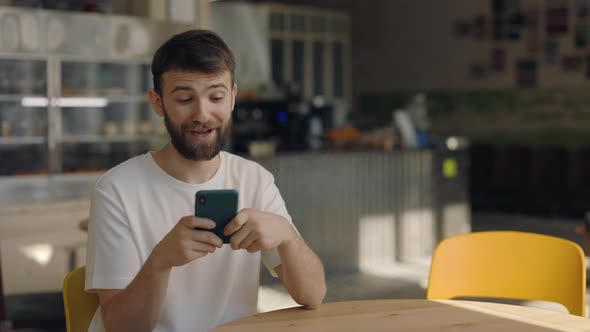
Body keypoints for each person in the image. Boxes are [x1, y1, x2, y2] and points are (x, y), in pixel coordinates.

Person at [85, 29, 326, 332]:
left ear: (233, 98)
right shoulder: (116, 190)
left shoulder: (254, 179)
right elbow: (121, 328)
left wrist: (288, 237)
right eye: (185, 98)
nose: (202, 114)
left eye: (216, 97)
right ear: (158, 103)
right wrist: (160, 262)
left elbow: (314, 296)